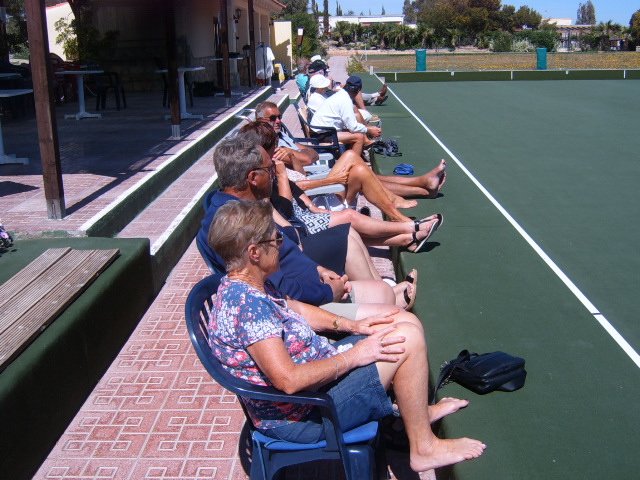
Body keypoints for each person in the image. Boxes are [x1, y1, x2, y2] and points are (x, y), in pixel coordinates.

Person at [207, 200, 486, 474]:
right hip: (306, 415)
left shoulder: (249, 283)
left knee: (400, 320)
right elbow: (288, 380)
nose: (281, 244)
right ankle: (424, 448)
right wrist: (355, 356)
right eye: (276, 238)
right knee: (406, 340)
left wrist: (352, 325)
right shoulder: (249, 307)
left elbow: (296, 308)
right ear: (254, 252)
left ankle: (417, 416)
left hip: (316, 386)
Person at [196, 133, 416, 308]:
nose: (274, 173)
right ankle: (389, 304)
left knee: (359, 252)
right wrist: (328, 292)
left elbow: (289, 251)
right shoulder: (238, 226)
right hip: (300, 301)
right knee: (384, 295)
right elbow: (279, 289)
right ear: (253, 177)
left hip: (308, 276)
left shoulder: (239, 206)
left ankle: (386, 296)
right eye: (269, 169)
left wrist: (318, 269)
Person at [239, 120, 443, 253]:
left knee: (356, 163)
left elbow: (308, 162)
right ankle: (410, 226)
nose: (277, 121)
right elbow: (285, 208)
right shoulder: (261, 173)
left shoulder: (275, 158)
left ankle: (408, 233)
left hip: (307, 206)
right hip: (299, 221)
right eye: (273, 146)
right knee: (354, 199)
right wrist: (285, 173)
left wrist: (293, 159)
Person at [255, 102, 448, 213]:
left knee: (367, 174)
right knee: (356, 164)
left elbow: (312, 154)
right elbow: (305, 161)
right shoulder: (267, 145)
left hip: (317, 176)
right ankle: (417, 188)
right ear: (259, 121)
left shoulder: (281, 135)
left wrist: (296, 154)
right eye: (272, 118)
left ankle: (423, 186)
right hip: (314, 186)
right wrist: (300, 156)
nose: (278, 121)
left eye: (279, 117)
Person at [310, 75, 382, 156]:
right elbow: (353, 127)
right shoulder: (345, 100)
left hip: (322, 131)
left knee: (358, 132)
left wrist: (367, 129)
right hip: (322, 134)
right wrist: (368, 130)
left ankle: (356, 153)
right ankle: (353, 162)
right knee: (359, 137)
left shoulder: (341, 95)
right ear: (358, 90)